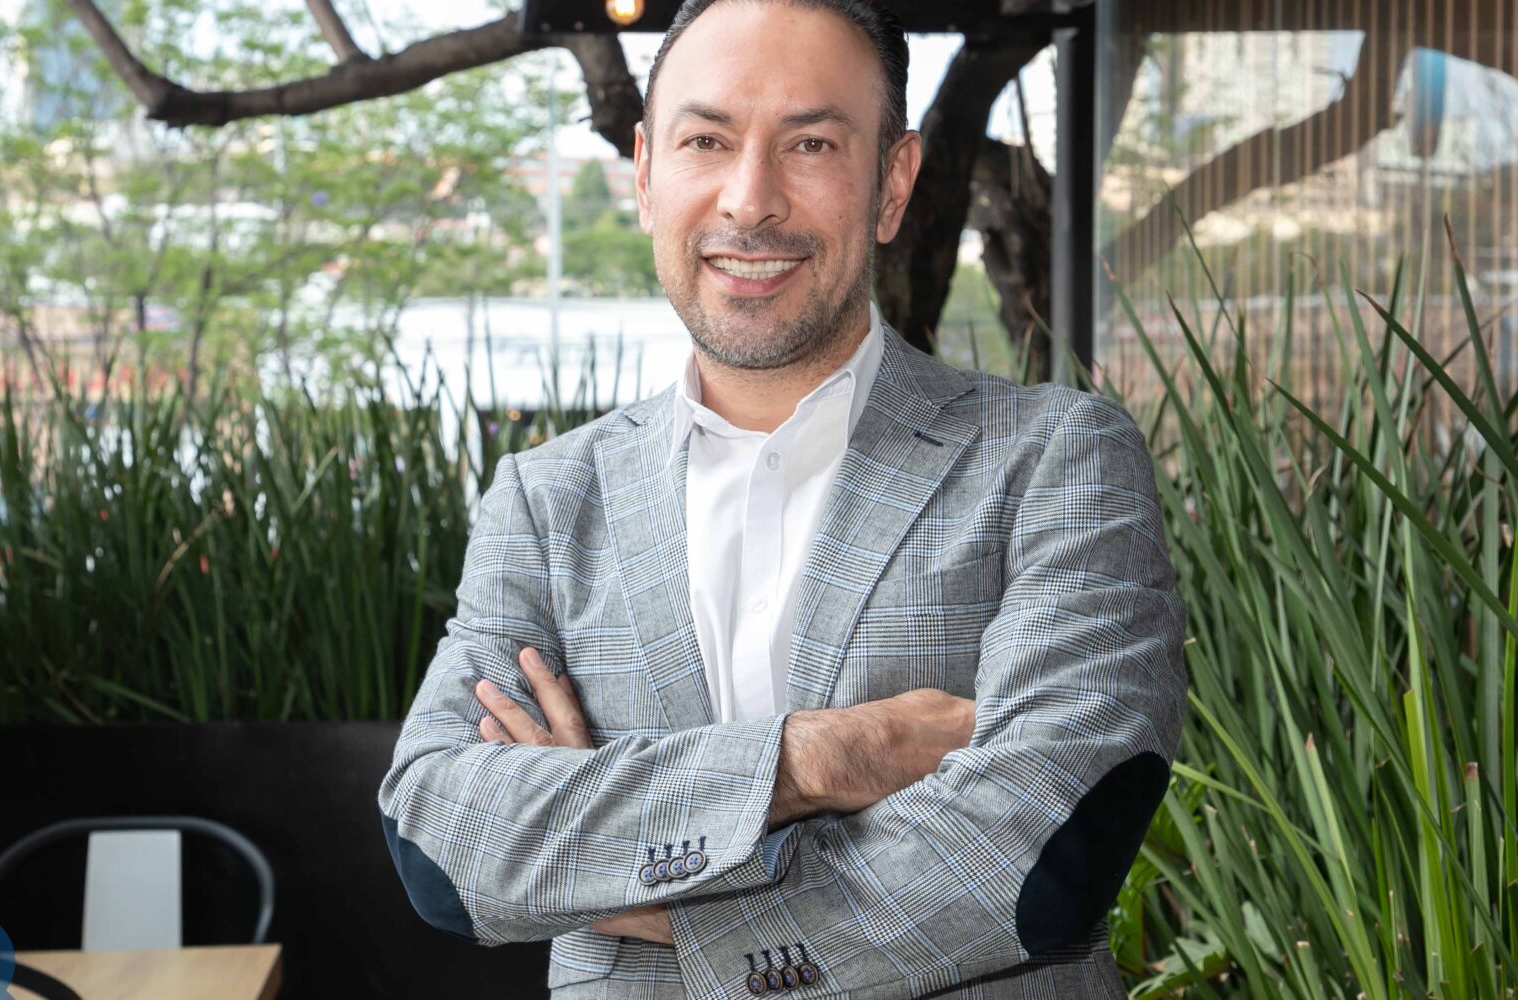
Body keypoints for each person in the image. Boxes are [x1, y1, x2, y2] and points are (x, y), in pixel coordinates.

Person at [376, 1, 1187, 996]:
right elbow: (439, 845)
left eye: (810, 144)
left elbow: (1044, 858)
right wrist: (820, 760)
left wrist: (605, 867)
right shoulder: (547, 501)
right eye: (706, 141)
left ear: (892, 184)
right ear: (646, 173)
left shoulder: (1056, 459)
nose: (749, 200)